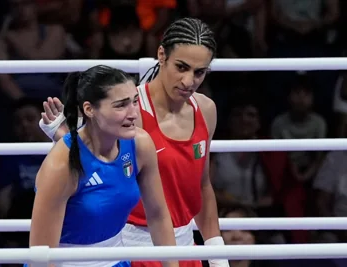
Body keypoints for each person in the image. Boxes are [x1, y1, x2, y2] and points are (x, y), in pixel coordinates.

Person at [39, 18, 229, 267]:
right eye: (181, 67)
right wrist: (62, 136)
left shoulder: (206, 109)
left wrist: (216, 253)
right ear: (161, 55)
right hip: (132, 247)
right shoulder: (128, 111)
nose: (188, 81)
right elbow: (91, 165)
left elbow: (202, 185)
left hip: (184, 247)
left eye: (199, 72)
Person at [29, 65, 178, 267]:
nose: (133, 113)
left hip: (118, 262)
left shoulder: (140, 144)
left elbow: (158, 215)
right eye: (121, 105)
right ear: (89, 109)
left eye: (135, 101)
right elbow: (42, 256)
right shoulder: (60, 166)